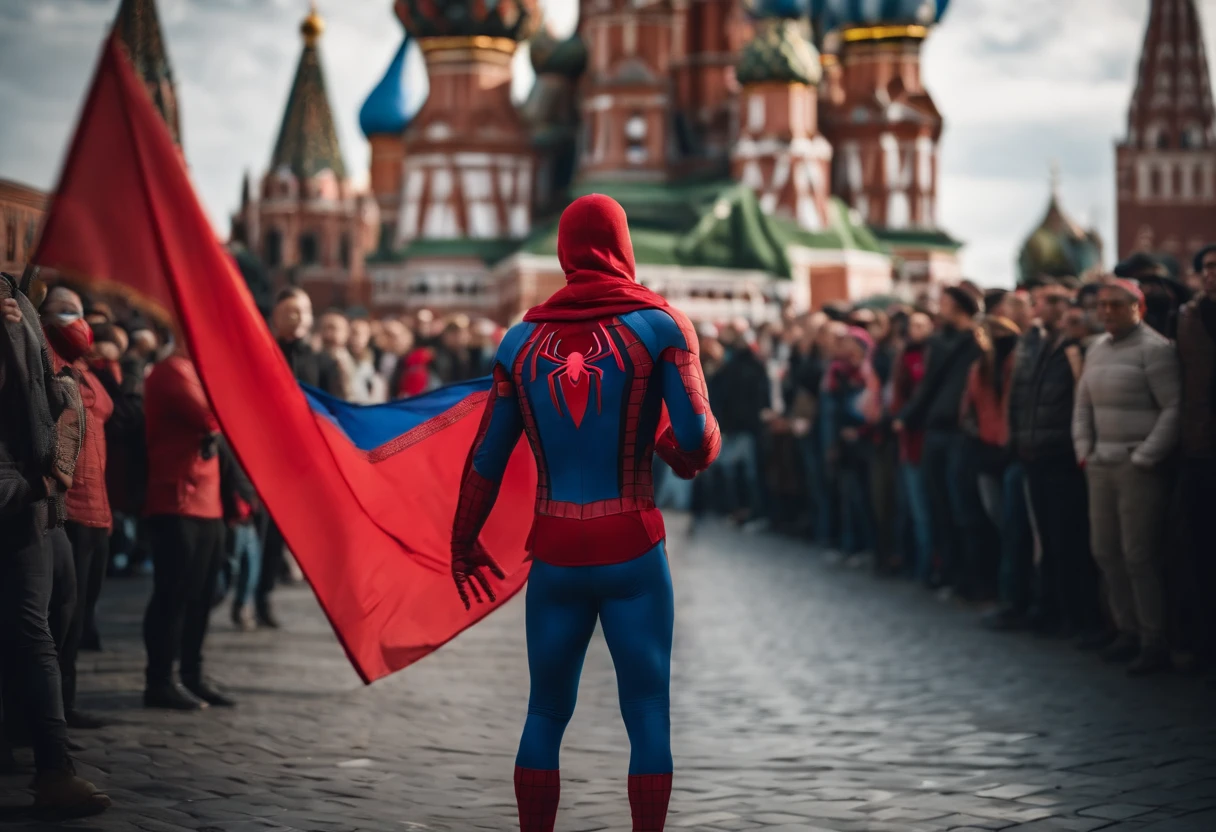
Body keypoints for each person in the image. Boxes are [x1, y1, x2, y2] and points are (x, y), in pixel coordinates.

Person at [448, 194, 720, 832]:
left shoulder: (520, 341)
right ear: (623, 243)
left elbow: (486, 457)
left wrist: (463, 540)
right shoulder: (661, 325)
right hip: (632, 543)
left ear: (564, 250)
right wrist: (670, 448)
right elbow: (698, 441)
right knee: (648, 711)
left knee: (544, 712)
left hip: (556, 552)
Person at [0, 276, 111, 812]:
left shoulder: (15, 309)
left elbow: (43, 400)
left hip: (31, 506)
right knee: (30, 630)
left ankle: (51, 767)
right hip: (19, 496)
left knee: (38, 628)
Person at [1073, 279, 1181, 675]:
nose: (1106, 312)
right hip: (1101, 463)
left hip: (1137, 464)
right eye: (1101, 305)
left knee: (1139, 555)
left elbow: (1173, 408)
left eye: (1116, 305)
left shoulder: (1155, 350)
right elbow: (1082, 404)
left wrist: (1147, 454)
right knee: (1105, 550)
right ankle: (1126, 629)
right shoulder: (1096, 349)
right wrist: (1084, 448)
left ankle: (1154, 639)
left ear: (1139, 307)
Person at [1008, 278, 1102, 639]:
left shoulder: (1075, 348)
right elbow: (1022, 397)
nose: (1037, 309)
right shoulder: (1037, 344)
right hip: (1034, 453)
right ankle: (1052, 609)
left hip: (1062, 454)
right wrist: (1018, 440)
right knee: (1045, 538)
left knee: (1069, 540)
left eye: (1045, 303)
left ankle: (1080, 617)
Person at [142, 342, 233, 709]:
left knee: (202, 595)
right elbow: (212, 417)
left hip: (208, 502)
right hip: (177, 498)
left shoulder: (199, 370)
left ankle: (192, 673)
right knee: (173, 595)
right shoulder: (174, 370)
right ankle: (160, 679)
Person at [40, 286, 114, 729]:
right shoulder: (45, 362)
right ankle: (51, 711)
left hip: (99, 505)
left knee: (81, 611)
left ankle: (67, 702)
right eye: (62, 311)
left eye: (78, 311)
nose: (74, 319)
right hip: (69, 506)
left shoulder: (86, 366)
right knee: (59, 616)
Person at [258, 288, 344, 627]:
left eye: (303, 312)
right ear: (276, 317)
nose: (297, 318)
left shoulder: (323, 362)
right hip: (263, 456)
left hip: (304, 462)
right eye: (290, 312)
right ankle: (251, 593)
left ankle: (265, 596)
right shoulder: (263, 355)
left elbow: (335, 412)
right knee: (262, 533)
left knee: (290, 534)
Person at [894, 286, 982, 595]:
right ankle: (949, 571)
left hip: (959, 433)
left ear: (959, 306)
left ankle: (972, 578)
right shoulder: (939, 343)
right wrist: (907, 416)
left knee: (962, 507)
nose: (940, 307)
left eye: (945, 302)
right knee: (939, 505)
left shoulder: (976, 342)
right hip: (935, 430)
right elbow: (927, 387)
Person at [1176, 244, 1216, 666]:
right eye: (1207, 267)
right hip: (1200, 448)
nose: (1212, 274)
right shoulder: (1188, 320)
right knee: (1201, 551)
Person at [890, 311, 934, 582]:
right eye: (912, 325)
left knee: (928, 510)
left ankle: (930, 565)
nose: (914, 329)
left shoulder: (934, 357)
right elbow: (898, 397)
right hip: (911, 442)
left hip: (928, 439)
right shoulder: (905, 357)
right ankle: (922, 565)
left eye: (921, 324)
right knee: (916, 510)